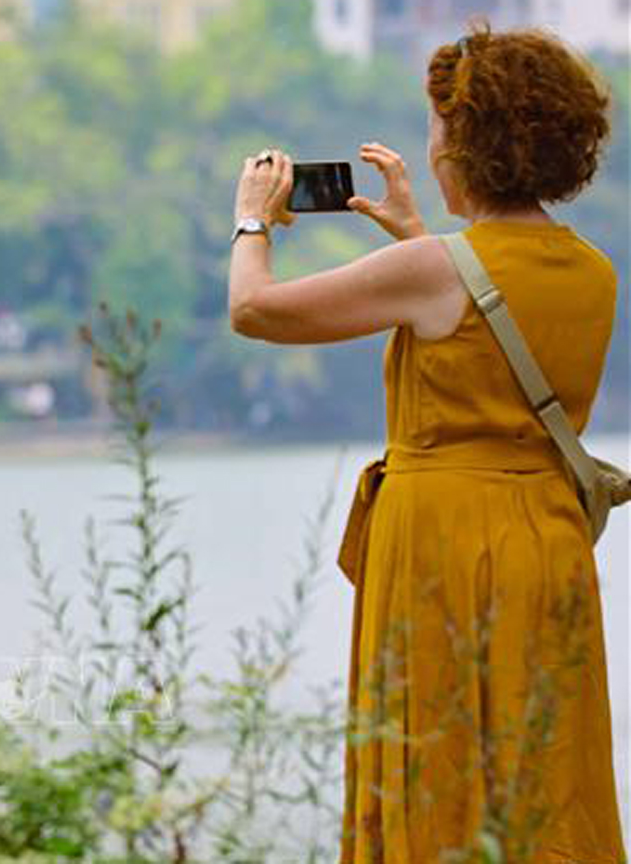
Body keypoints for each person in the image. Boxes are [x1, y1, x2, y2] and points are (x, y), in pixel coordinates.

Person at [226, 26, 623, 863]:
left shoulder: (437, 269)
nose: (431, 148)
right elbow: (484, 332)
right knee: (543, 758)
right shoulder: (591, 267)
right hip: (547, 541)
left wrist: (251, 221)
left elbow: (256, 310)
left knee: (436, 753)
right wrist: (415, 235)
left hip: (446, 540)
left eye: (440, 129)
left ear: (470, 145)